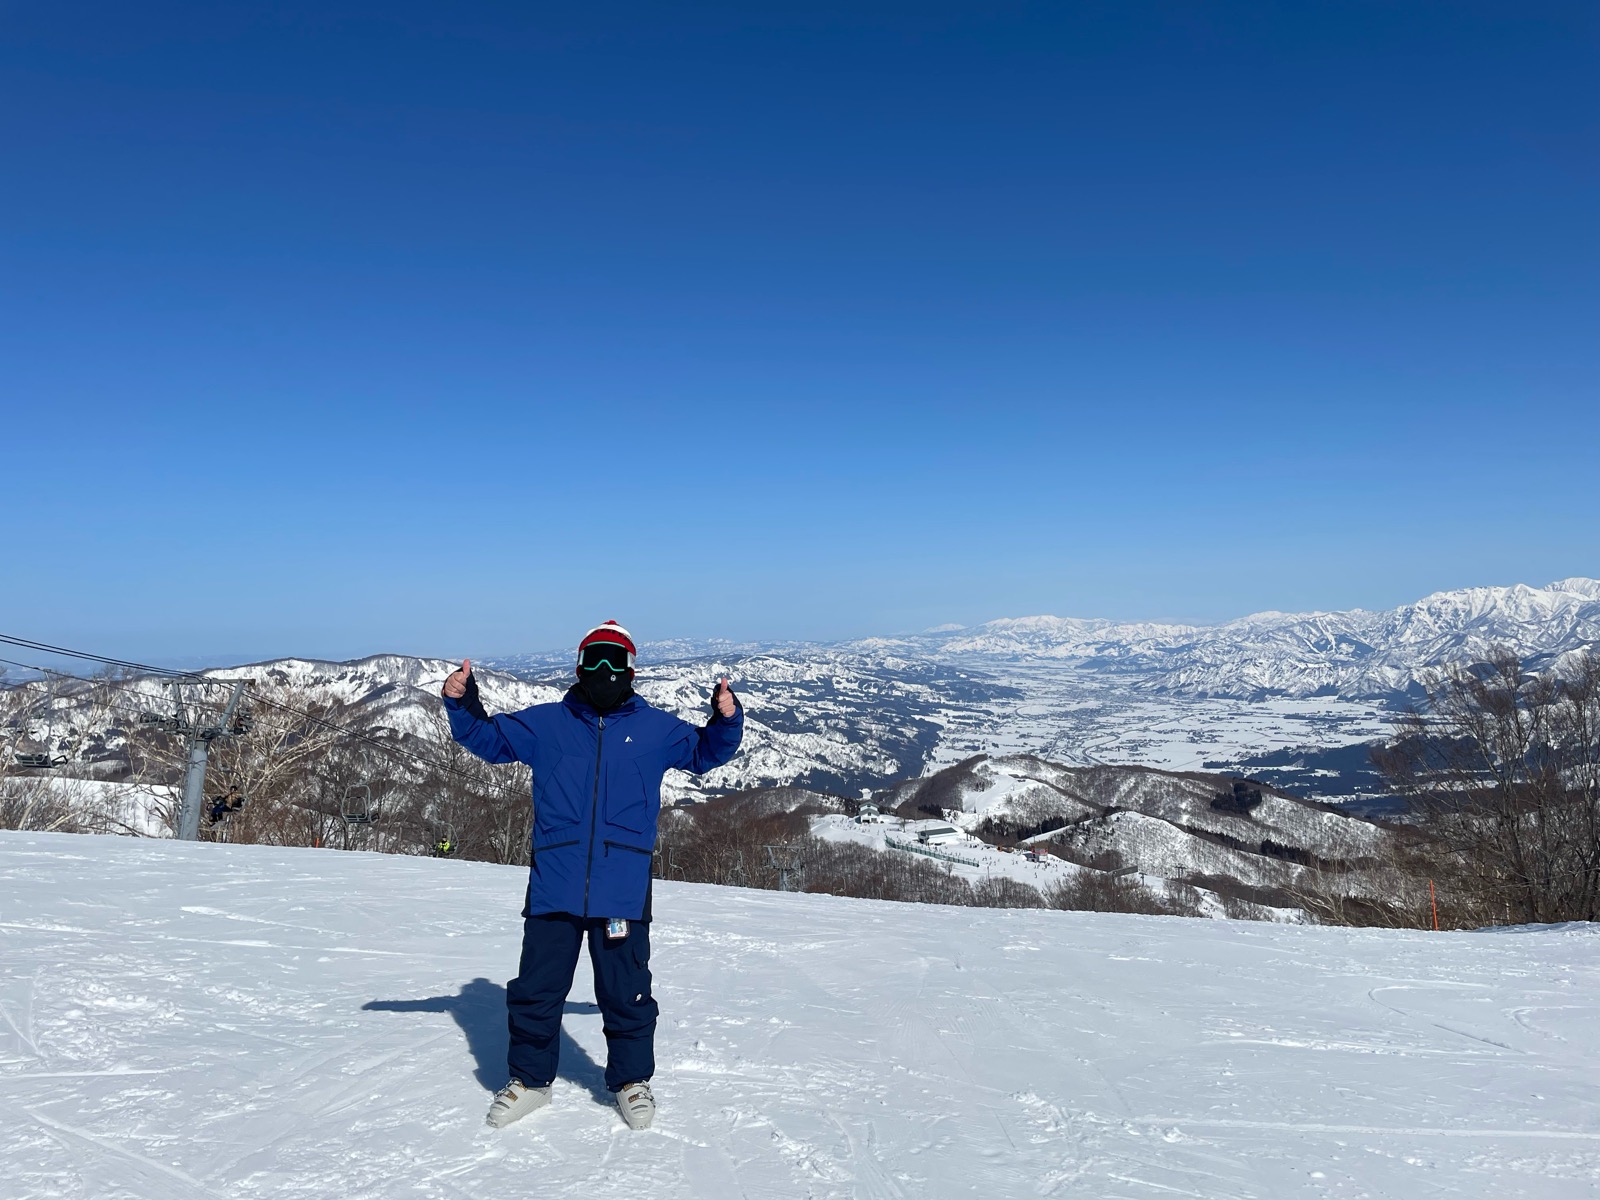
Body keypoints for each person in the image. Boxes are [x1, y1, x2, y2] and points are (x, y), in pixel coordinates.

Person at [440, 620, 743, 1131]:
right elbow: (486, 739)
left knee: (626, 993)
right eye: (595, 661)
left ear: (630, 670)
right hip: (555, 884)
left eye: (615, 662)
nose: (605, 671)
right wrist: (462, 700)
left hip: (621, 890)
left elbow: (705, 753)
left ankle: (630, 1081)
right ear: (580, 667)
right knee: (537, 990)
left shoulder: (655, 730)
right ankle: (530, 1082)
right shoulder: (549, 724)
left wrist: (725, 719)